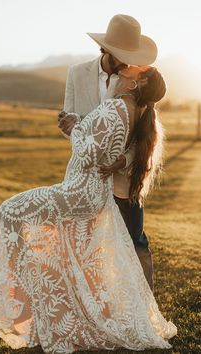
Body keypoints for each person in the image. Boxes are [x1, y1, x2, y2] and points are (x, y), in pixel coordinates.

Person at [0, 65, 177, 353]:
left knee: (10, 211)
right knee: (54, 243)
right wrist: (81, 125)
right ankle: (36, 307)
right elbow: (107, 144)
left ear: (139, 81)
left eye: (131, 70)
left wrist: (75, 128)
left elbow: (88, 154)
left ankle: (18, 306)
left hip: (79, 191)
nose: (124, 71)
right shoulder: (136, 111)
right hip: (93, 193)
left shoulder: (117, 107)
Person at [59, 14, 158, 290]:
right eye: (121, 55)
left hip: (124, 179)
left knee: (136, 240)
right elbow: (71, 120)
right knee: (89, 244)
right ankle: (99, 301)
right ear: (105, 50)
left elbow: (144, 133)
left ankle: (146, 304)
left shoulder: (133, 81)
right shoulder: (77, 73)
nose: (127, 62)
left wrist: (123, 160)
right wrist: (70, 128)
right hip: (88, 177)